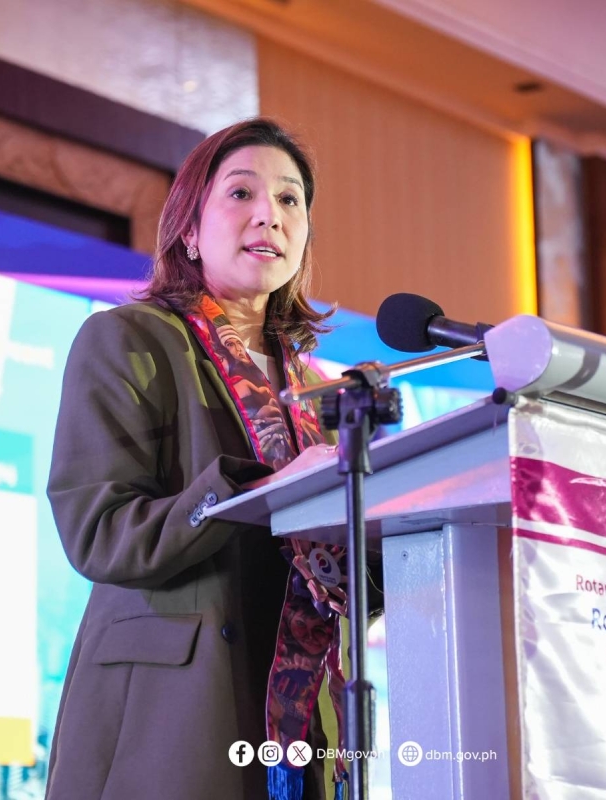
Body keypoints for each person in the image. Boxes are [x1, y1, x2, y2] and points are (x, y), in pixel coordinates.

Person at [45, 118, 373, 800]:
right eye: (242, 193)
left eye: (290, 200)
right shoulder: (129, 340)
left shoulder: (318, 390)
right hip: (172, 713)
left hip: (298, 718)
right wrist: (249, 489)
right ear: (188, 230)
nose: (270, 216)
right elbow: (101, 532)